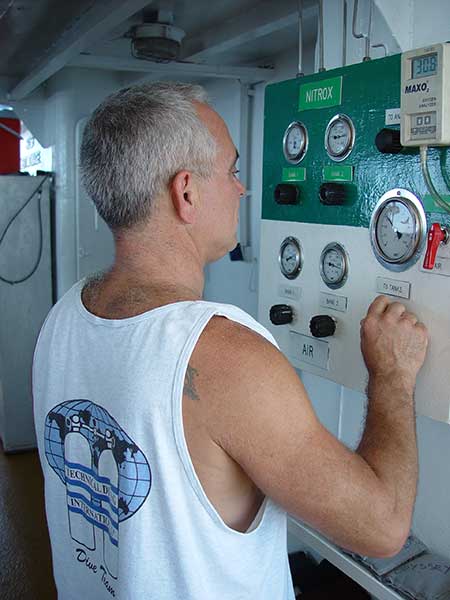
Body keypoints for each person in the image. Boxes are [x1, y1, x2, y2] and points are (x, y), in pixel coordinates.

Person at [33, 82, 429, 600]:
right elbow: (382, 527)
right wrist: (393, 376)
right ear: (187, 193)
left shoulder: (63, 315)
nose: (242, 189)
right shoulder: (225, 355)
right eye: (232, 171)